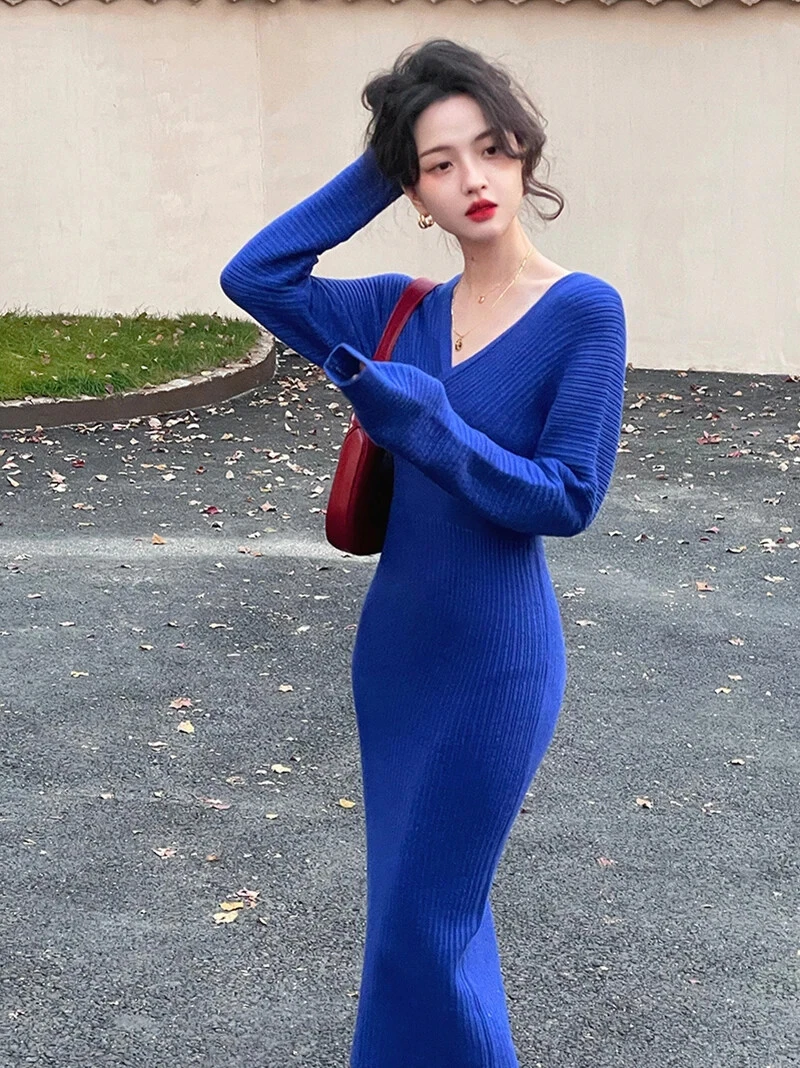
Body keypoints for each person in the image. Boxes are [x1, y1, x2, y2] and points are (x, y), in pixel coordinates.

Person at [220, 37, 627, 1068]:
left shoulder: (583, 311)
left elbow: (567, 497)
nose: (472, 179)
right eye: (439, 166)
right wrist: (385, 150)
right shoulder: (396, 311)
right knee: (407, 918)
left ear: (523, 153)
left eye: (489, 149)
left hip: (495, 662)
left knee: (426, 927)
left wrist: (432, 428)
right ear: (413, 193)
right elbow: (255, 274)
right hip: (396, 658)